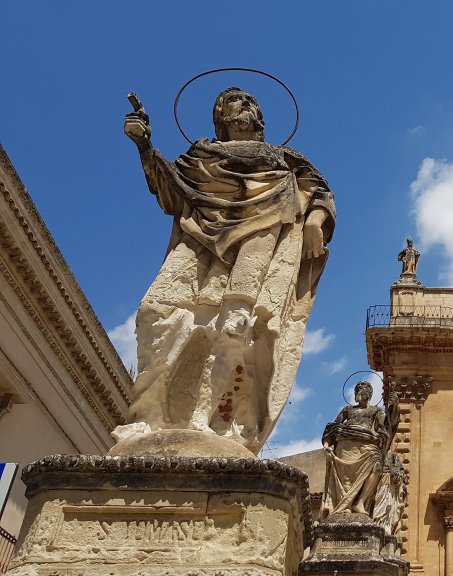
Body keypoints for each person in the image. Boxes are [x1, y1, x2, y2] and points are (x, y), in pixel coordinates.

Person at [117, 87, 335, 452]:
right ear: (221, 115)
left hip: (262, 234)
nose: (246, 104)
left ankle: (207, 421)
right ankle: (148, 413)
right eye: (235, 99)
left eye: (252, 101)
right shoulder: (200, 157)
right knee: (155, 311)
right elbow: (170, 195)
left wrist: (315, 220)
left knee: (235, 328)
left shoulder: (283, 158)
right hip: (200, 234)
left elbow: (319, 191)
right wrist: (143, 145)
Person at [321, 382, 399, 518]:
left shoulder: (376, 410)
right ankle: (345, 506)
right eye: (358, 390)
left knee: (377, 467)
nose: (360, 393)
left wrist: (394, 406)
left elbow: (388, 425)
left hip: (368, 445)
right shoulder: (348, 409)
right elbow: (332, 428)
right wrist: (327, 446)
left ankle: (360, 502)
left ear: (369, 394)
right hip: (346, 445)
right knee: (346, 478)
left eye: (363, 390)